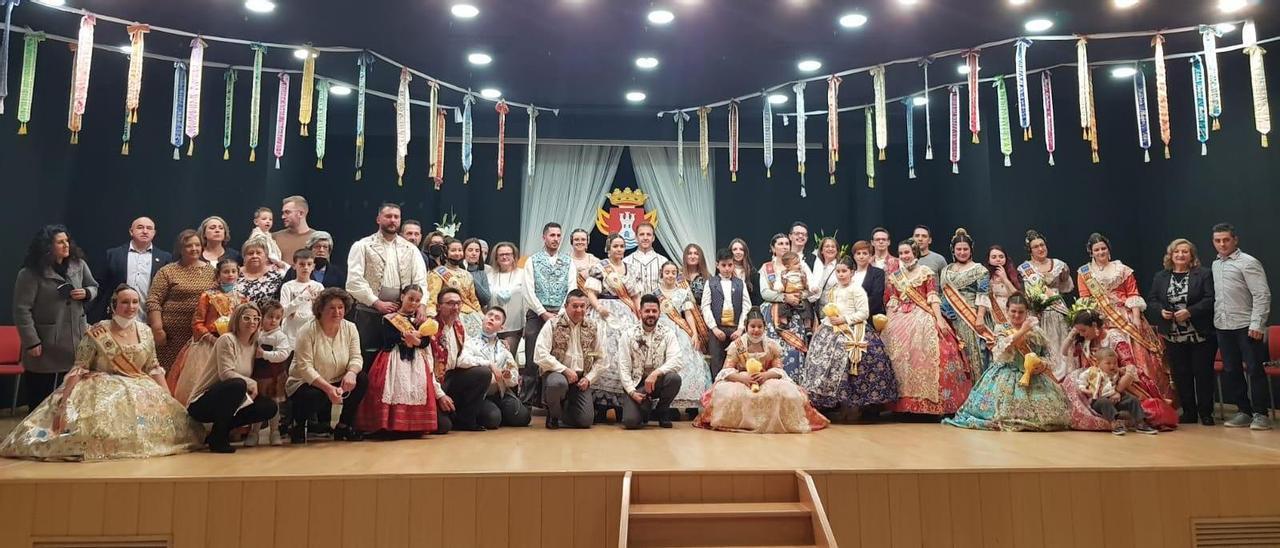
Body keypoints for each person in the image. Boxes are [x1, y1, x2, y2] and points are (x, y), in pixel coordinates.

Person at [0, 285, 204, 461]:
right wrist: (65, 400)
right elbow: (80, 366)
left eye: (135, 302)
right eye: (125, 302)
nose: (131, 307)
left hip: (140, 386)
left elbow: (152, 366)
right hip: (100, 386)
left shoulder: (145, 331)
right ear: (114, 305)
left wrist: (169, 398)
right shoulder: (98, 331)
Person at [944, 295, 1071, 432]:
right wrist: (1023, 331)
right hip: (1005, 374)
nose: (1017, 315)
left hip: (1034, 377)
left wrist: (1042, 364)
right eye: (1013, 311)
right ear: (1007, 310)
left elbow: (1049, 356)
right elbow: (1001, 349)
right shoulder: (1001, 329)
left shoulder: (1037, 331)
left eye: (1021, 312)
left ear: (1027, 312)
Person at [695, 309, 830, 434]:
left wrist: (766, 375)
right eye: (752, 326)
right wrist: (743, 379)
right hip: (742, 379)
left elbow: (778, 370)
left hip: (767, 378)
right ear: (746, 327)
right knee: (729, 395)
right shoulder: (737, 345)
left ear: (764, 327)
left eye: (760, 327)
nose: (756, 330)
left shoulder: (772, 345)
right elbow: (727, 370)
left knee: (788, 395)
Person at [797, 256, 897, 418]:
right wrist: (826, 322)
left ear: (852, 272)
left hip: (853, 327)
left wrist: (845, 319)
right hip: (831, 329)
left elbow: (864, 313)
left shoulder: (857, 290)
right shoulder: (834, 290)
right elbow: (831, 310)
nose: (841, 274)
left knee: (855, 358)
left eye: (844, 271)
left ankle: (859, 406)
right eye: (838, 271)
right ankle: (830, 402)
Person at [1077, 233, 1172, 400]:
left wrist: (1136, 319)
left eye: (1103, 248)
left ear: (1109, 249)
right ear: (1091, 252)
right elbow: (1085, 298)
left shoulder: (1122, 269)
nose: (1101, 252)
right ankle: (1103, 394)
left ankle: (1142, 396)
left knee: (1132, 357)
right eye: (1096, 250)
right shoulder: (1084, 272)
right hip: (1099, 320)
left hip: (1123, 317)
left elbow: (1132, 294)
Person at [13, 225, 99, 410]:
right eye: (60, 242)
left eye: (67, 240)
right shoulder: (29, 274)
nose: (66, 245)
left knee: (69, 401)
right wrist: (31, 342)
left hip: (76, 344)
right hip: (45, 347)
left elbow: (94, 286)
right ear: (46, 246)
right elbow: (22, 310)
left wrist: (86, 292)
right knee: (40, 402)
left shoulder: (79, 265)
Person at [884, 239, 971, 416]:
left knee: (927, 354)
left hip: (923, 317)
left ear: (915, 253)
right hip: (900, 317)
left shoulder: (926, 273)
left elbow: (932, 297)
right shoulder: (895, 276)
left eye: (907, 252)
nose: (904, 256)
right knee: (897, 355)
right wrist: (887, 320)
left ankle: (931, 404)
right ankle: (900, 406)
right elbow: (893, 300)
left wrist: (939, 320)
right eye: (901, 253)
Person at [356, 284, 452, 438]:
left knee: (414, 390)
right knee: (391, 390)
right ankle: (389, 425)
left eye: (417, 301)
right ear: (402, 297)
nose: (413, 303)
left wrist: (416, 341)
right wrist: (405, 339)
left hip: (416, 362)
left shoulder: (422, 321)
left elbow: (426, 342)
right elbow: (387, 339)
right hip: (393, 359)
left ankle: (413, 426)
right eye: (410, 299)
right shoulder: (389, 318)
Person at [184, 303, 279, 453]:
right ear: (237, 320)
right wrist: (251, 382)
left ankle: (219, 431)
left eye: (256, 318)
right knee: (237, 384)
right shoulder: (227, 340)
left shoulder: (254, 344)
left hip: (234, 398)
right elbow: (226, 374)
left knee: (269, 407)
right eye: (246, 318)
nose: (252, 322)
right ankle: (219, 438)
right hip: (203, 402)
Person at [346, 203, 429, 365]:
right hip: (368, 312)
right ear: (378, 219)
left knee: (398, 359)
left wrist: (422, 305)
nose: (393, 220)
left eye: (396, 217)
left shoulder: (411, 249)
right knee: (367, 357)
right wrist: (376, 303)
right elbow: (353, 281)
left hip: (401, 313)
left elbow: (420, 280)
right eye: (388, 216)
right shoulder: (363, 245)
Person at [1062, 310, 1172, 431]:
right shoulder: (1087, 341)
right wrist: (1072, 335)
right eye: (1079, 331)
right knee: (1072, 380)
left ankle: (1140, 423)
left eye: (1083, 330)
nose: (1081, 335)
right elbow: (1065, 352)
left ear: (1094, 326)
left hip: (1122, 382)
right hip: (1096, 386)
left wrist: (1117, 390)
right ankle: (1113, 421)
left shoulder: (1114, 337)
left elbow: (1130, 369)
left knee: (1135, 402)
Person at [1147, 238, 1217, 425]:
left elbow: (1210, 299)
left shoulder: (1203, 274)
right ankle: (1189, 412)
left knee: (1202, 374)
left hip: (1200, 333)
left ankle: (1206, 413)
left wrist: (1190, 312)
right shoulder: (1160, 276)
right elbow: (1152, 300)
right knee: (1181, 374)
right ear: (1171, 255)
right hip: (1173, 334)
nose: (1180, 255)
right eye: (1177, 252)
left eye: (1185, 252)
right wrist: (1161, 311)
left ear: (1191, 256)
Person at [1211, 223, 1273, 430]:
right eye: (1218, 240)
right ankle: (1244, 411)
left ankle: (1261, 414)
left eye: (1226, 240)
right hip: (1223, 326)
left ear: (1235, 240)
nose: (1222, 244)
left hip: (1247, 325)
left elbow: (1262, 294)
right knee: (1232, 370)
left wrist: (1257, 323)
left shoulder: (1248, 262)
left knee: (1255, 370)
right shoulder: (1216, 265)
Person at [286, 288, 366, 443]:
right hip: (307, 382)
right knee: (313, 395)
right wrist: (329, 389)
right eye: (331, 307)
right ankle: (298, 424)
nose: (337, 311)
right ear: (320, 309)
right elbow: (305, 368)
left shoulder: (350, 328)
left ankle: (344, 425)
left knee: (361, 379)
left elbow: (356, 357)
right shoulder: (307, 330)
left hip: (337, 378)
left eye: (340, 307)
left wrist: (352, 373)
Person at [167, 258, 246, 405]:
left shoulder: (242, 299)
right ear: (218, 275)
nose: (230, 274)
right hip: (207, 345)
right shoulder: (208, 296)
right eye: (226, 271)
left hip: (231, 344)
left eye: (233, 271)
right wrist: (211, 339)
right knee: (199, 382)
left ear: (238, 274)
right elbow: (197, 323)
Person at [584, 234, 643, 418]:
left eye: (621, 246)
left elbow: (635, 295)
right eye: (615, 246)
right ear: (608, 249)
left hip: (625, 314)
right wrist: (599, 307)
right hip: (604, 314)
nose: (619, 249)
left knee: (624, 356)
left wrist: (638, 313)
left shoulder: (631, 269)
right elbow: (590, 291)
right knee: (603, 354)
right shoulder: (599, 268)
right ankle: (600, 405)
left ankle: (619, 404)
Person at [520, 222, 574, 407]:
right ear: (544, 237)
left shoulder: (568, 261)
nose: (556, 239)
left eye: (559, 236)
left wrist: (560, 314)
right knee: (532, 356)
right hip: (537, 313)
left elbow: (571, 288)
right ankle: (526, 403)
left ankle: (550, 401)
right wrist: (542, 312)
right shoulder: (532, 260)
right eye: (552, 235)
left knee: (557, 356)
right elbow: (528, 289)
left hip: (561, 313)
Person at [147, 230, 216, 372]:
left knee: (192, 375)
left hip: (199, 337)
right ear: (180, 249)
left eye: (197, 245)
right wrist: (157, 329)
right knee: (168, 373)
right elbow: (153, 300)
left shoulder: (212, 271)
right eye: (189, 245)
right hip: (170, 337)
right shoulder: (167, 271)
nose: (194, 248)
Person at [535, 290, 603, 429]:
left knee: (585, 422)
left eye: (582, 306)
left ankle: (566, 409)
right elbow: (540, 354)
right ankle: (553, 415)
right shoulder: (552, 324)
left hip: (581, 378)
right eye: (575, 306)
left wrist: (589, 378)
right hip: (558, 374)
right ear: (566, 306)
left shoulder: (594, 326)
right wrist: (564, 370)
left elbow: (600, 357)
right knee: (556, 384)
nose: (579, 310)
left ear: (587, 307)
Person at [429, 287, 491, 432]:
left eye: (458, 303)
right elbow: (426, 368)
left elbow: (462, 358)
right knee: (443, 427)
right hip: (432, 381)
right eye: (450, 303)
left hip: (451, 375)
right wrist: (440, 395)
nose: (455, 307)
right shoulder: (431, 327)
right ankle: (445, 412)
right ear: (439, 306)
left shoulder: (459, 326)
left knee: (483, 373)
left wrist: (487, 363)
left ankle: (465, 419)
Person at [618, 295, 684, 429]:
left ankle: (662, 410)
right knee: (630, 422)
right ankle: (645, 408)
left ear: (659, 312)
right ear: (640, 312)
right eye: (647, 311)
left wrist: (656, 374)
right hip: (636, 384)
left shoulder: (667, 333)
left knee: (674, 378)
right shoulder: (628, 335)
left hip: (657, 382)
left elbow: (677, 360)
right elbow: (623, 367)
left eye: (654, 311)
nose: (651, 314)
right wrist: (631, 392)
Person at [458, 306, 531, 428]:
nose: (491, 319)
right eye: (489, 315)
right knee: (493, 419)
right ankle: (492, 412)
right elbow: (462, 361)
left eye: (497, 318)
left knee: (523, 418)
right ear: (483, 319)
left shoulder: (503, 348)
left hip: (499, 393)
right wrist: (489, 365)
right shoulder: (470, 342)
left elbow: (514, 376)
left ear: (502, 327)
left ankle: (498, 411)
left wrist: (508, 376)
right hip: (479, 394)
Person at [90, 217, 172, 323]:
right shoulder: (113, 255)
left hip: (150, 321)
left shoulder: (165, 258)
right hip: (116, 320)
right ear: (131, 231)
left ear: (154, 233)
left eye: (149, 228)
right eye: (140, 227)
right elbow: (100, 287)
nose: (145, 231)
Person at [1018, 230, 1076, 380]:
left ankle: (1068, 378)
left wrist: (1053, 294)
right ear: (1030, 250)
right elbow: (1025, 293)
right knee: (1046, 347)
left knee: (1064, 344)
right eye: (1036, 246)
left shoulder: (1059, 265)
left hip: (1058, 312)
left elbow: (1065, 286)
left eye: (1042, 245)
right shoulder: (1024, 269)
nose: (1040, 249)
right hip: (1038, 314)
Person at [654, 262, 711, 414]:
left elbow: (688, 315)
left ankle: (688, 402)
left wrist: (694, 334)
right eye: (667, 272)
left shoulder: (682, 292)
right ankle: (666, 405)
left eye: (673, 272)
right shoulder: (655, 293)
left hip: (680, 330)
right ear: (662, 273)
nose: (670, 275)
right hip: (661, 331)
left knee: (687, 363)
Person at [759, 234, 815, 375]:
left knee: (794, 350)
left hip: (797, 315)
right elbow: (765, 293)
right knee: (774, 349)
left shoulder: (800, 265)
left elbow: (810, 289)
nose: (784, 246)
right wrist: (785, 297)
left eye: (786, 243)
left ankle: (796, 381)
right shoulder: (767, 268)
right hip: (774, 316)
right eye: (780, 244)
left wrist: (799, 296)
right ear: (773, 248)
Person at [940, 228, 994, 376]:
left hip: (972, 317)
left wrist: (980, 318)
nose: (962, 252)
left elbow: (983, 295)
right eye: (959, 249)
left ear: (971, 250)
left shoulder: (979, 270)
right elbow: (943, 295)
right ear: (953, 250)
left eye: (965, 249)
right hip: (951, 319)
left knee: (977, 353)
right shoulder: (946, 270)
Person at [1074, 348, 1159, 435]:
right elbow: (1081, 380)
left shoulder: (1116, 372)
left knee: (1132, 400)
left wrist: (1122, 373)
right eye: (1108, 363)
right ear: (1098, 363)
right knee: (1104, 402)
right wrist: (1084, 389)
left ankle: (1141, 423)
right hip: (1099, 400)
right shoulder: (1092, 371)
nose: (1112, 366)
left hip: (1115, 400)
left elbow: (1127, 377)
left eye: (1115, 363)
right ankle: (1115, 423)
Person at [246, 301, 290, 446]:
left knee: (274, 405)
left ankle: (274, 431)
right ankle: (254, 432)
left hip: (274, 377)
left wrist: (265, 354)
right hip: (258, 376)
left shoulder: (280, 336)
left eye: (277, 318)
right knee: (257, 404)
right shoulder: (257, 334)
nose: (273, 320)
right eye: (270, 316)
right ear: (262, 317)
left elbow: (283, 354)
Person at [703, 248, 750, 379]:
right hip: (717, 328)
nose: (727, 268)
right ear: (717, 265)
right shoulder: (711, 283)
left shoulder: (740, 283)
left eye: (730, 265)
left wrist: (741, 328)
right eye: (723, 265)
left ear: (733, 264)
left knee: (740, 361)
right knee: (717, 362)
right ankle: (716, 390)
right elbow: (705, 307)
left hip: (737, 330)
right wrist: (714, 328)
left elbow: (747, 306)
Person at [425, 238, 485, 337]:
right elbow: (433, 298)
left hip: (471, 315)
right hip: (450, 315)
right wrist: (431, 316)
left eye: (460, 250)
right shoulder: (438, 273)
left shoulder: (467, 274)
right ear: (445, 252)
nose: (457, 253)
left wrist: (481, 315)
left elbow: (473, 299)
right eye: (453, 250)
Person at [486, 242, 527, 357]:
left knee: (506, 359)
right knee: (492, 359)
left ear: (514, 256)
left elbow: (527, 301)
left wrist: (526, 324)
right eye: (501, 255)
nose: (505, 257)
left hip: (514, 326)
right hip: (493, 327)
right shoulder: (489, 276)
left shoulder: (523, 274)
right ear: (496, 258)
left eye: (508, 254)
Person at [279, 249, 324, 342]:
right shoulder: (287, 286)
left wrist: (295, 312)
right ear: (294, 266)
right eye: (302, 264)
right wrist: (303, 296)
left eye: (309, 264)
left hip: (312, 335)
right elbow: (283, 313)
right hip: (290, 336)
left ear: (313, 266)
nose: (306, 267)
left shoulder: (318, 287)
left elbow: (321, 314)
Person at [679, 243, 711, 352]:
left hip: (702, 321)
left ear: (700, 257)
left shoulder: (707, 277)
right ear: (685, 256)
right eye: (689, 253)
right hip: (682, 321)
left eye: (696, 254)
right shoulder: (677, 276)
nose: (692, 256)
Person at [237, 239, 285, 307]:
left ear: (266, 257)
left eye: (258, 253)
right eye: (250, 253)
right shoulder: (234, 273)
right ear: (244, 257)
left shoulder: (277, 275)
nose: (254, 256)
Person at [774, 251, 814, 331]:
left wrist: (811, 288)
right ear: (787, 266)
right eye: (796, 263)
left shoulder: (803, 274)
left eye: (799, 262)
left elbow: (809, 284)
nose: (799, 265)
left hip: (800, 295)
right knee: (782, 306)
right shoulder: (783, 274)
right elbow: (778, 283)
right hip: (787, 295)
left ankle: (808, 326)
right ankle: (784, 324)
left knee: (807, 306)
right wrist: (780, 287)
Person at [623, 223, 667, 296]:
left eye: (649, 234)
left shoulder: (663, 261)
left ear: (653, 238)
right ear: (636, 238)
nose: (645, 238)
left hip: (658, 305)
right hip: (634, 305)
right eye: (642, 234)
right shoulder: (626, 261)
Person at [272, 195, 318, 265]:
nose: (283, 216)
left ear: (301, 213)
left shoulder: (317, 238)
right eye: (283, 213)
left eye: (287, 212)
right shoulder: (274, 237)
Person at [986, 245, 1022, 327]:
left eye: (1001, 257)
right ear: (989, 260)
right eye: (994, 257)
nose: (998, 259)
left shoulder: (1014, 274)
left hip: (1012, 313)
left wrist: (1005, 279)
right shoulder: (985, 276)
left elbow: (1018, 296)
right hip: (994, 316)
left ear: (1006, 258)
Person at [850, 241, 887, 317]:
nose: (861, 256)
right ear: (854, 256)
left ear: (870, 256)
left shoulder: (878, 273)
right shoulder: (849, 274)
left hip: (870, 317)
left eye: (864, 253)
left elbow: (876, 298)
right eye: (858, 253)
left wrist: (857, 313)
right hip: (849, 317)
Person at [810, 237, 842, 309]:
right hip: (818, 310)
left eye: (833, 247)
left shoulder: (841, 267)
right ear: (821, 250)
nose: (830, 249)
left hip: (835, 310)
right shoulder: (815, 266)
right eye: (827, 246)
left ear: (837, 250)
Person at [568, 228, 600, 292]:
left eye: (583, 239)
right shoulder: (564, 260)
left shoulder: (595, 261)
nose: (580, 242)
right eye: (576, 240)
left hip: (589, 298)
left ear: (587, 242)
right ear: (572, 242)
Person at [463, 238, 492, 308]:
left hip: (477, 311)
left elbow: (486, 298)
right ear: (464, 252)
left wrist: (470, 277)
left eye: (477, 251)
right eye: (470, 250)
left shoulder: (482, 273)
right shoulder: (457, 270)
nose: (474, 253)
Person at [728, 238, 757, 302]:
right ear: (730, 252)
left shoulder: (752, 272)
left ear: (745, 252)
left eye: (741, 249)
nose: (738, 252)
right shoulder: (724, 270)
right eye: (735, 249)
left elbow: (756, 296)